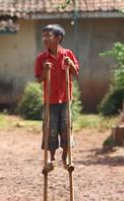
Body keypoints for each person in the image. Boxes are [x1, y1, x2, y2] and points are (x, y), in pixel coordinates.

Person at [35, 24, 79, 171]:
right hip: (50, 100)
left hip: (66, 99)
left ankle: (65, 158)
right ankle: (51, 159)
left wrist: (70, 64)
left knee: (66, 127)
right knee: (50, 129)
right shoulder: (41, 58)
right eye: (44, 36)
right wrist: (45, 71)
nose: (45, 39)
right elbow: (39, 79)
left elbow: (75, 72)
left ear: (58, 38)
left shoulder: (68, 54)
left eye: (49, 36)